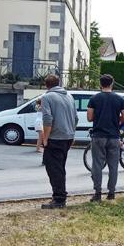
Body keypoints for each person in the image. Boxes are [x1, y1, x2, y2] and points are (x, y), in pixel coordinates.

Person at [87, 74, 124, 202]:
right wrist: (117, 120)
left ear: (100, 84)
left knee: (97, 165)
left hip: (98, 135)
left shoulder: (94, 98)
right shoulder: (120, 99)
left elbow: (89, 117)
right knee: (113, 166)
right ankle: (111, 193)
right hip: (114, 136)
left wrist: (100, 117)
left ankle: (97, 193)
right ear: (112, 83)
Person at [40, 74, 78, 209]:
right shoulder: (69, 96)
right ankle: (60, 196)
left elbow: (47, 118)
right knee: (60, 167)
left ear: (46, 85)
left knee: (54, 169)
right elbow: (75, 118)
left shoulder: (47, 97)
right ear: (59, 83)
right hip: (67, 136)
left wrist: (45, 138)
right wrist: (72, 134)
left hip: (55, 137)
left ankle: (59, 199)